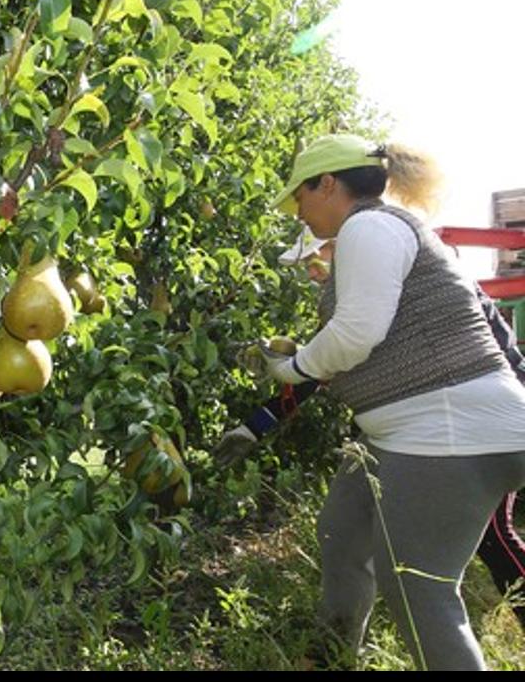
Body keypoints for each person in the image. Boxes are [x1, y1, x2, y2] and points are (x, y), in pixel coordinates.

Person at [261, 134, 525, 670]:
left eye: (300, 198)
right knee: (342, 530)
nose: (300, 213)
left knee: (417, 587)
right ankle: (331, 656)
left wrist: (293, 366)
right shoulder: (375, 233)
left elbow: (357, 333)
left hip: (448, 430)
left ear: (327, 183)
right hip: (403, 432)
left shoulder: (370, 226)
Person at [215, 226, 525, 631]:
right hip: (426, 425)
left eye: (316, 259)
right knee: (354, 529)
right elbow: (324, 367)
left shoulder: (401, 282)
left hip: (479, 420)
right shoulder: (363, 294)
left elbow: (493, 349)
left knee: (491, 538)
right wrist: (254, 427)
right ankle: (338, 641)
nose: (312, 274)